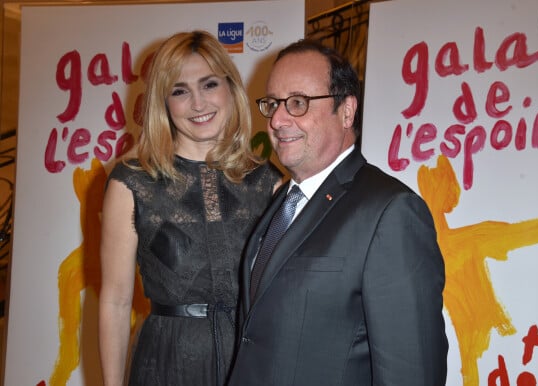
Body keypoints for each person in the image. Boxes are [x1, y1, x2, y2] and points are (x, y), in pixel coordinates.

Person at [228, 39, 448, 386]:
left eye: (298, 103)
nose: (278, 119)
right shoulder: (283, 202)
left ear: (347, 111)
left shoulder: (390, 213)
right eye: (273, 103)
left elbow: (412, 373)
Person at [98, 30, 282, 386]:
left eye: (209, 84)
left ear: (231, 88)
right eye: (180, 91)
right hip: (166, 363)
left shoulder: (269, 183)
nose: (198, 103)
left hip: (250, 360)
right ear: (163, 103)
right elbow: (116, 303)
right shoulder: (131, 183)